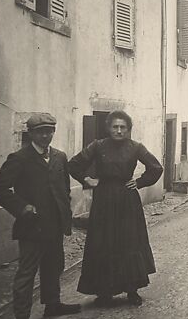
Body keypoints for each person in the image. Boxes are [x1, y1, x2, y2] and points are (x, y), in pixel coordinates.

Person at [0, 113, 81, 319]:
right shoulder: (19, 158)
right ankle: (22, 318)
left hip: (55, 225)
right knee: (27, 271)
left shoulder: (59, 157)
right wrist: (23, 208)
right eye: (40, 131)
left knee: (54, 266)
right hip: (32, 227)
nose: (45, 135)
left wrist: (65, 212)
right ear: (30, 133)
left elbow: (64, 188)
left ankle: (52, 304)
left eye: (49, 131)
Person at [68, 110, 163, 307]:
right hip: (103, 199)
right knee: (104, 242)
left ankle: (132, 290)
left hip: (127, 199)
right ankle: (104, 292)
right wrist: (86, 179)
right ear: (108, 128)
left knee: (129, 242)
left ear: (128, 129)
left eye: (123, 127)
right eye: (115, 127)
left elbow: (156, 168)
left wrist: (139, 182)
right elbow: (74, 165)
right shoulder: (98, 146)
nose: (119, 131)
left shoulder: (136, 147)